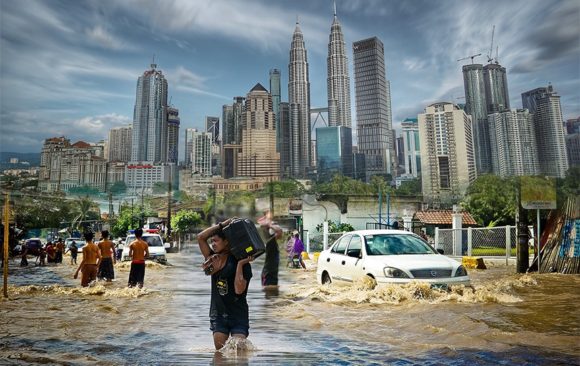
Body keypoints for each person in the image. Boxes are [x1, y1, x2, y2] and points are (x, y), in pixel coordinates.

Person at [197, 218, 254, 350]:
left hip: (238, 315)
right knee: (220, 354)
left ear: (226, 242)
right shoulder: (212, 260)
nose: (213, 245)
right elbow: (200, 237)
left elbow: (239, 290)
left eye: (216, 241)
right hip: (219, 314)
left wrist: (240, 265)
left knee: (238, 351)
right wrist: (224, 224)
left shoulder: (242, 263)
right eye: (212, 242)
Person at [259, 216, 282, 287]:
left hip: (271, 274)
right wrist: (269, 224)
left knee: (272, 295)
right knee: (270, 294)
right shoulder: (270, 241)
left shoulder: (270, 241)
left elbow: (279, 232)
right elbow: (279, 231)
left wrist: (269, 224)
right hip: (269, 275)